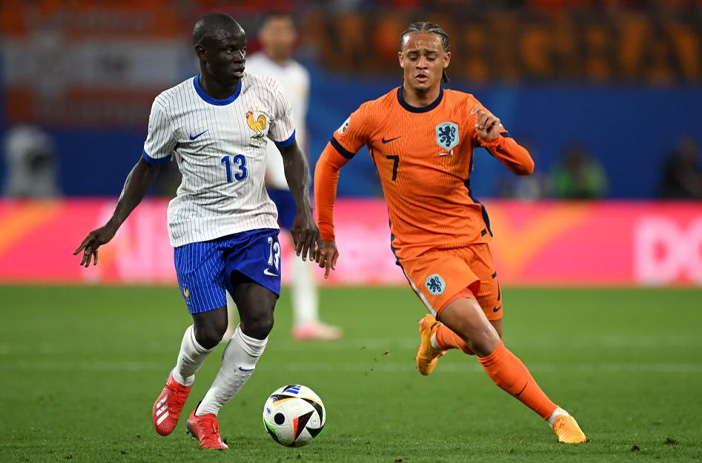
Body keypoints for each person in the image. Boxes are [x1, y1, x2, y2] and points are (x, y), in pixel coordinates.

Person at [313, 21, 587, 444]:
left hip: (471, 239)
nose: (421, 64)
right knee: (484, 340)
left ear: (446, 60)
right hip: (421, 251)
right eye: (413, 56)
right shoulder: (374, 114)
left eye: (430, 56)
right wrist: (327, 231)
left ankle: (435, 335)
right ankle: (557, 417)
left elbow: (526, 166)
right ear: (400, 60)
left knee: (486, 341)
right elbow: (328, 163)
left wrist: (497, 141)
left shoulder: (465, 109)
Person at [73, 13, 319, 450]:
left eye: (242, 48)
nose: (240, 57)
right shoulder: (172, 105)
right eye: (228, 50)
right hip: (197, 227)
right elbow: (147, 167)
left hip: (254, 223)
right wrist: (112, 224)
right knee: (211, 330)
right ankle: (179, 380)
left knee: (260, 319)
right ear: (203, 53)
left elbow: (291, 154)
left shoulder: (266, 93)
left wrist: (304, 210)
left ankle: (207, 413)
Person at [223, 12, 342, 342]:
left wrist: (303, 171)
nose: (280, 36)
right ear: (262, 35)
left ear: (293, 37)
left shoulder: (300, 75)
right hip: (253, 178)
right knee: (239, 250)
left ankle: (307, 320)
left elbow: (297, 126)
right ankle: (227, 323)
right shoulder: (248, 71)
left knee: (304, 247)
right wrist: (253, 166)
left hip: (289, 179)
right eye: (274, 30)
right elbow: (236, 123)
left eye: (285, 30)